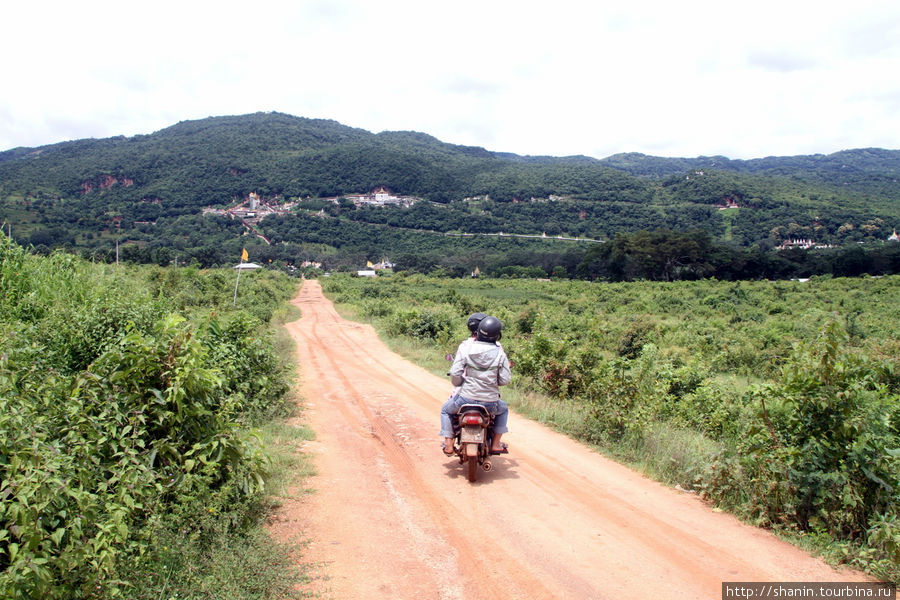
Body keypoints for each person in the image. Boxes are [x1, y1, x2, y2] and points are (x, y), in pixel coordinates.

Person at [440, 315, 511, 455]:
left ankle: (448, 445)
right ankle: (496, 444)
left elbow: (455, 373)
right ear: (497, 335)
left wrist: (461, 382)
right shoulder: (500, 353)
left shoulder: (466, 348)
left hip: (465, 399)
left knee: (446, 410)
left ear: (478, 331)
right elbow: (505, 380)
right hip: (490, 403)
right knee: (504, 409)